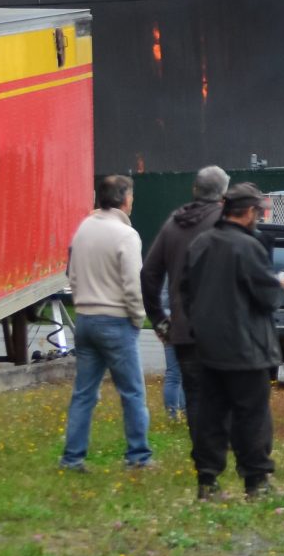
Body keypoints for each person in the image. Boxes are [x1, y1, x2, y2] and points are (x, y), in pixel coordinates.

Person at [180, 183, 284, 500]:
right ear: (250, 212)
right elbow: (266, 297)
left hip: (208, 347)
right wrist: (277, 284)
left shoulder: (201, 243)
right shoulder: (248, 247)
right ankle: (256, 481)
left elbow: (185, 293)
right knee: (252, 416)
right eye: (259, 211)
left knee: (210, 415)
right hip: (247, 348)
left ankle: (208, 481)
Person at [61, 173, 152, 473]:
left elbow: (71, 273)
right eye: (132, 196)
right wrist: (137, 318)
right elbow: (133, 285)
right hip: (116, 320)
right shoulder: (126, 235)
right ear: (125, 199)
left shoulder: (84, 228)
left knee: (84, 393)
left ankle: (72, 457)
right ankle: (138, 455)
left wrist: (83, 301)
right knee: (132, 392)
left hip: (85, 318)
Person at [142, 165, 227, 428]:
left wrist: (158, 319)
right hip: (221, 328)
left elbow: (148, 274)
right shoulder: (226, 224)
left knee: (192, 392)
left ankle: (202, 453)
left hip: (183, 328)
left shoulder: (173, 224)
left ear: (194, 190)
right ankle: (216, 451)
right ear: (223, 194)